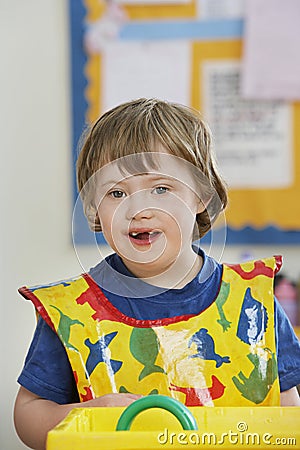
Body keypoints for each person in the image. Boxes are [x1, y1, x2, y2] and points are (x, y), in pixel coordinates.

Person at [14, 98, 300, 450]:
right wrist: (94, 412)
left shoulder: (253, 301)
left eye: (161, 189)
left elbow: (288, 410)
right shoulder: (70, 313)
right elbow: (28, 412)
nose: (139, 209)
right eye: (116, 193)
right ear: (95, 208)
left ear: (201, 196)